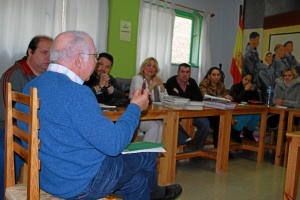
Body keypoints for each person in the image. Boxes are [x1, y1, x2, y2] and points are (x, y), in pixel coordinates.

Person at [16, 31, 182, 200]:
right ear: (80, 59)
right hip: (80, 183)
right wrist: (135, 108)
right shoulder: (76, 92)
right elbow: (114, 144)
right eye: (94, 56)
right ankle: (158, 194)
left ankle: (151, 193)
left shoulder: (32, 85)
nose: (96, 62)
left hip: (47, 177)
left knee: (138, 181)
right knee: (147, 155)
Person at [0, 35, 53, 198]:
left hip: (39, 129)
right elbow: (9, 115)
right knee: (6, 156)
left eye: (51, 54)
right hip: (9, 128)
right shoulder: (13, 75)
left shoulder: (49, 77)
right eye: (44, 52)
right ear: (30, 52)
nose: (49, 58)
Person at [165, 63, 210, 150]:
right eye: (182, 72)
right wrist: (188, 97)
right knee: (172, 121)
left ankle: (197, 149)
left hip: (192, 112)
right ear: (178, 72)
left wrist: (181, 95)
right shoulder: (171, 81)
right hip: (176, 113)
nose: (185, 74)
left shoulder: (192, 82)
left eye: (187, 72)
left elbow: (199, 98)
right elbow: (174, 98)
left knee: (205, 123)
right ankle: (187, 141)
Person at [129, 57, 167, 143]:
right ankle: (145, 153)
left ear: (156, 70)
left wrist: (162, 86)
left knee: (161, 125)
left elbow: (164, 100)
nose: (151, 68)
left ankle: (154, 153)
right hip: (137, 114)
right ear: (143, 67)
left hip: (152, 114)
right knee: (154, 126)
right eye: (148, 65)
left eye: (154, 66)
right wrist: (152, 85)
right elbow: (140, 96)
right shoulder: (137, 78)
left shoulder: (156, 81)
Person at [199, 67, 233, 147]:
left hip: (219, 110)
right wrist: (223, 97)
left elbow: (225, 93)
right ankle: (218, 146)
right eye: (213, 75)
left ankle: (225, 147)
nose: (216, 77)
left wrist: (227, 96)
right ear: (209, 76)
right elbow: (205, 96)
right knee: (219, 122)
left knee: (227, 122)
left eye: (218, 75)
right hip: (207, 112)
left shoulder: (221, 84)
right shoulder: (203, 84)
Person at [229, 73, 261, 141]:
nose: (247, 82)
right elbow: (236, 99)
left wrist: (253, 92)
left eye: (249, 81)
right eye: (245, 79)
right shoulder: (235, 87)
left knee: (257, 115)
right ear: (242, 79)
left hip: (246, 110)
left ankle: (248, 132)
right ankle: (236, 133)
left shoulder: (250, 90)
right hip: (235, 111)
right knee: (248, 115)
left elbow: (257, 101)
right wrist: (245, 90)